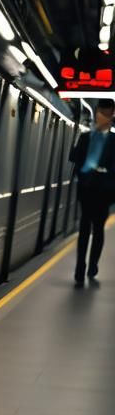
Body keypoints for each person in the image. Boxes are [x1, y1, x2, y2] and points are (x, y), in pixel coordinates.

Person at [69, 98, 115, 286]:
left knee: (98, 229)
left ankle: (93, 264)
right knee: (84, 228)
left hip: (104, 193)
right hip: (86, 190)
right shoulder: (85, 137)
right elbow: (74, 158)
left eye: (106, 113)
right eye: (100, 113)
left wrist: (104, 173)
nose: (102, 117)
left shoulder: (114, 141)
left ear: (111, 116)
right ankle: (80, 267)